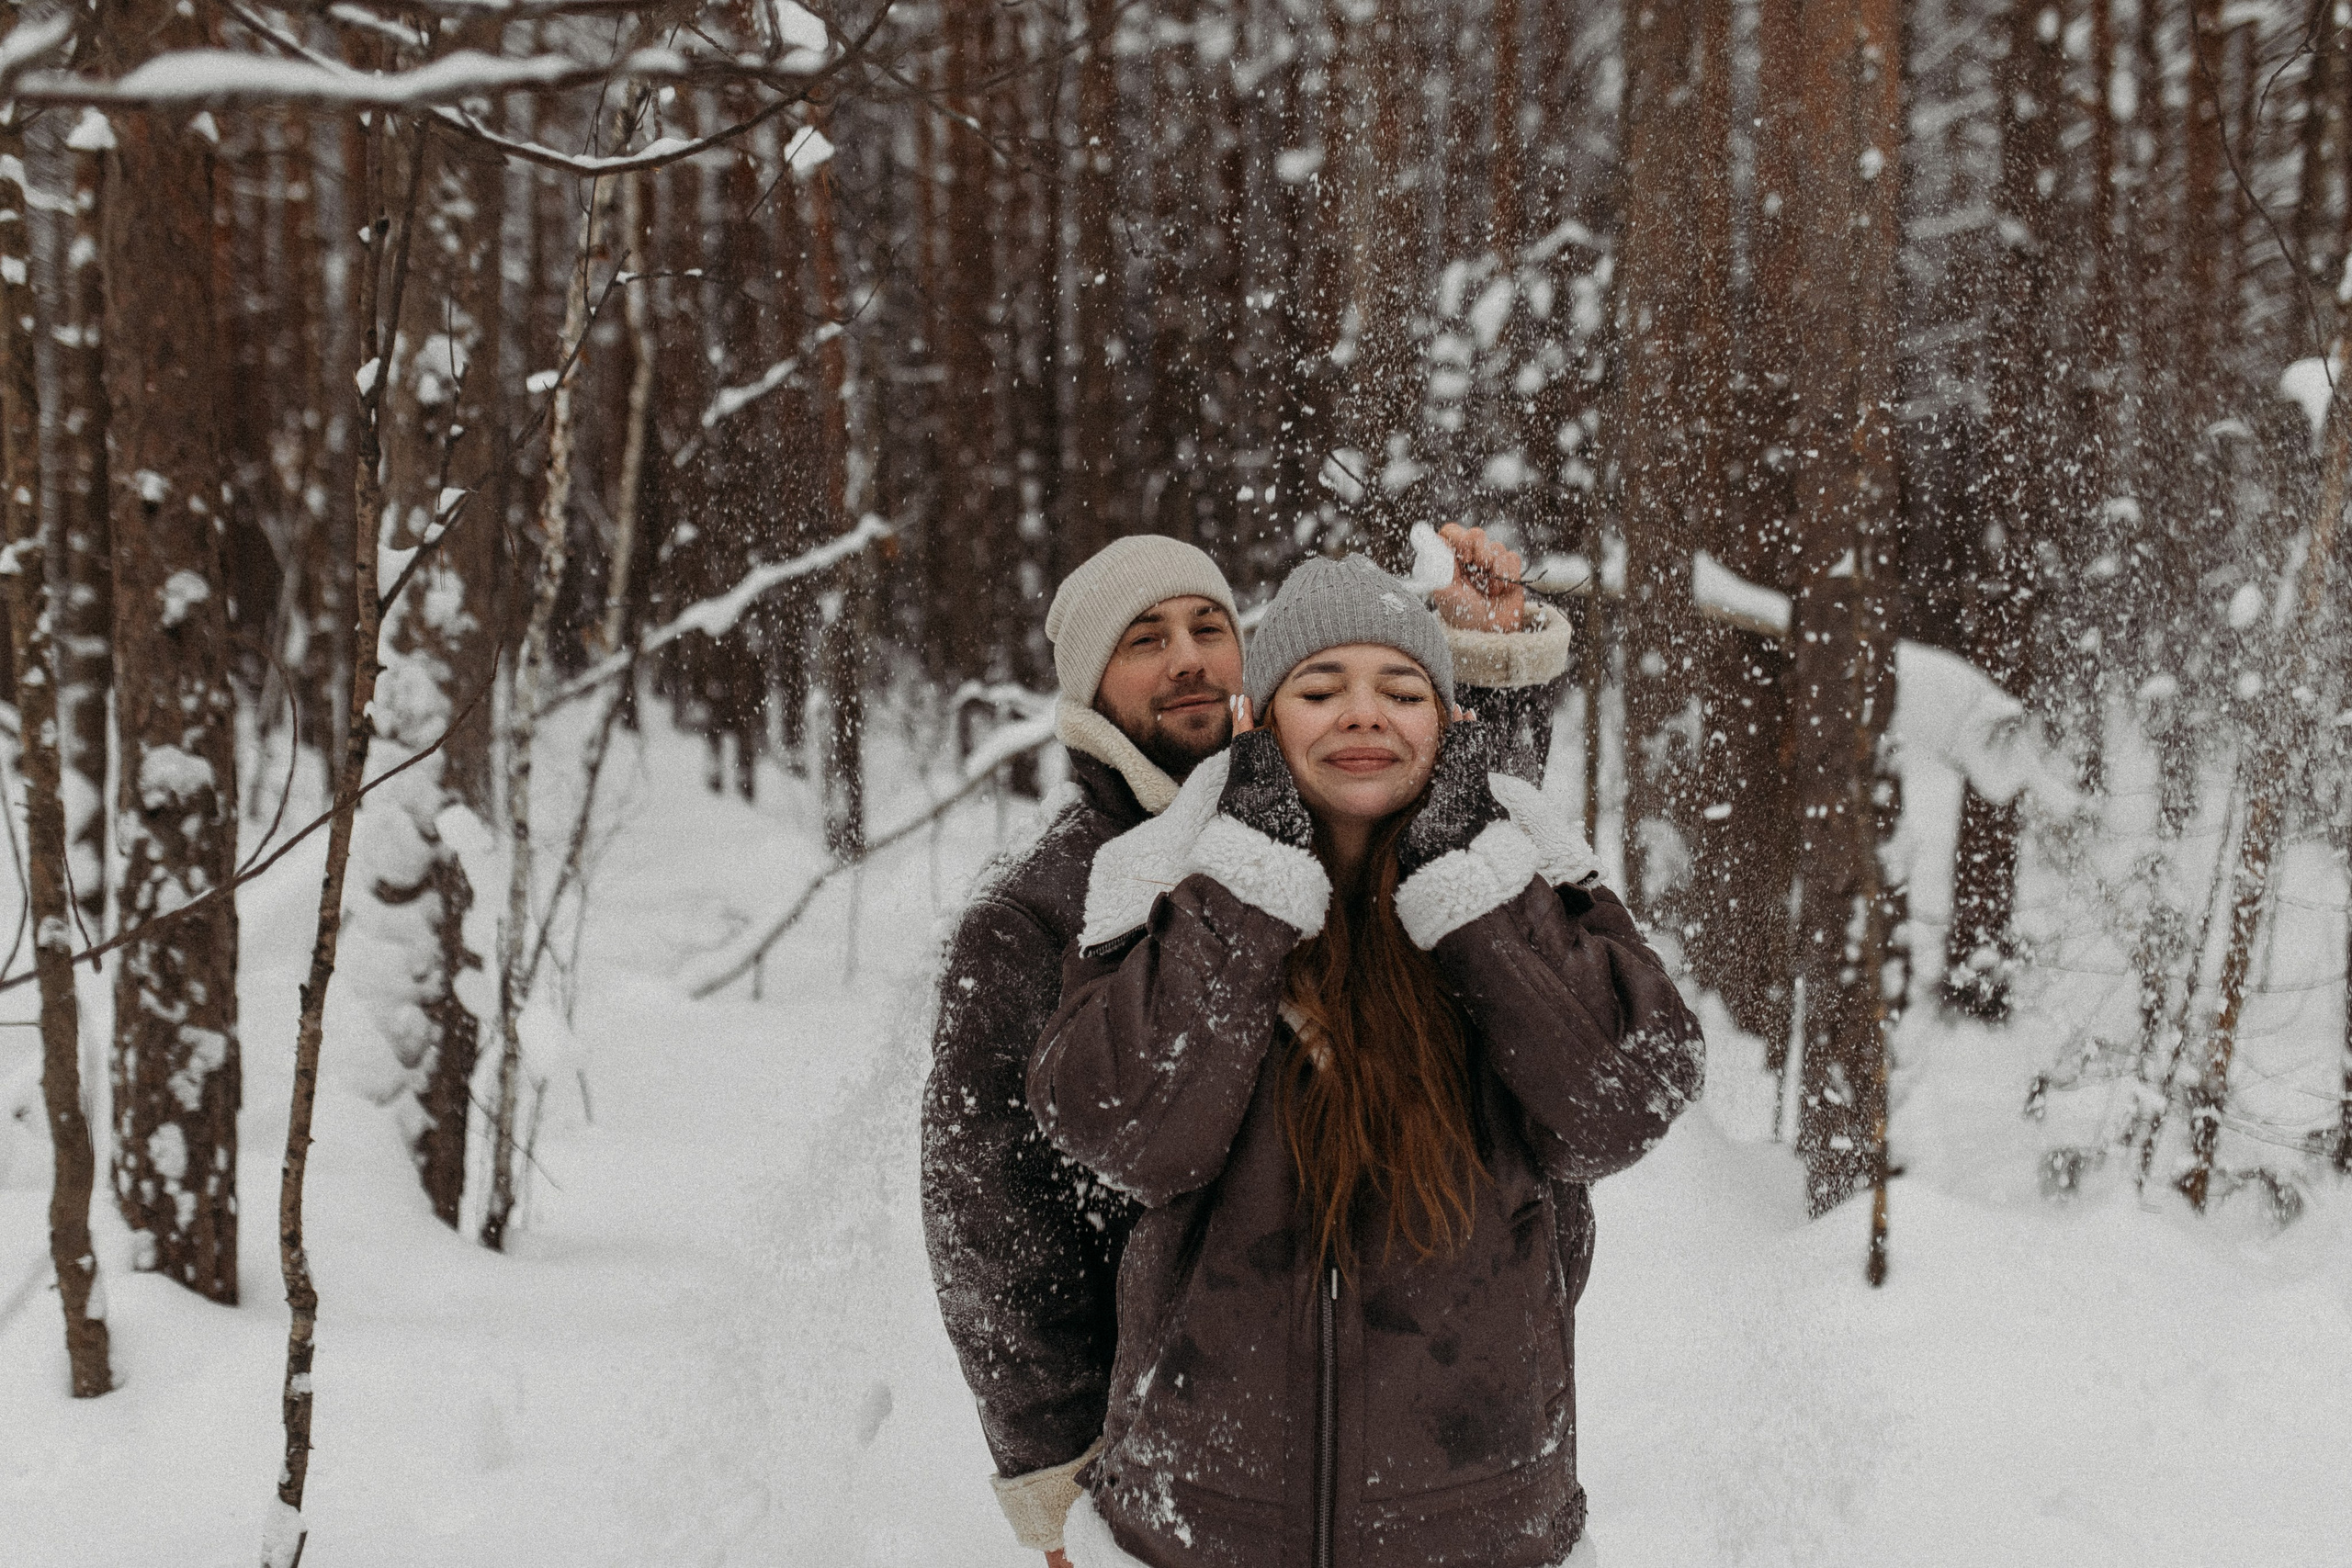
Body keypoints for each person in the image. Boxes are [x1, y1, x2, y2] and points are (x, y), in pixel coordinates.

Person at [1028, 554, 1703, 1568]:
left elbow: (1620, 1105)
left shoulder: (1524, 878)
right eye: (1320, 688)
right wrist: (1253, 877)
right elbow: (1129, 1136)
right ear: (1259, 720)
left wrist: (1467, 883)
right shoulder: (1161, 879)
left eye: (1400, 691)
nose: (1362, 716)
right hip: (1198, 1529)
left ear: (1447, 724)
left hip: (1480, 1527)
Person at [922, 533, 1573, 1563]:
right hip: (1185, 1460)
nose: (1187, 657)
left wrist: (1485, 666)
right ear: (1087, 688)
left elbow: (1460, 841)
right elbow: (996, 1227)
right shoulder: (1039, 907)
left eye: (1209, 628)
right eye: (1144, 640)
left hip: (1437, 1446)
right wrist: (1052, 1480)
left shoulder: (1312, 820)